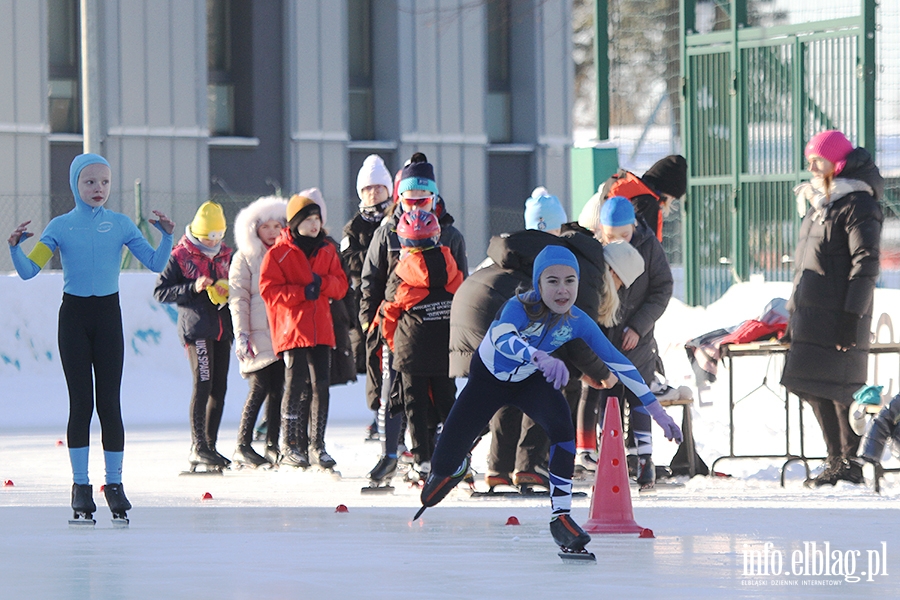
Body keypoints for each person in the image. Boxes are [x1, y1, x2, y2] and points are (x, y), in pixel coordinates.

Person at [416, 246, 682, 553]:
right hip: (488, 381)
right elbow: (503, 338)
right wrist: (538, 355)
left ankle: (561, 517)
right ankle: (458, 464)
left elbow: (618, 362)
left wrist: (656, 410)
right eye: (552, 281)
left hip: (528, 381)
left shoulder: (578, 320)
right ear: (538, 285)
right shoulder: (518, 306)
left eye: (570, 281)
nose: (562, 290)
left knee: (562, 428)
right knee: (441, 466)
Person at [8, 153, 174, 522]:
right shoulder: (61, 226)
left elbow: (155, 263)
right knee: (82, 403)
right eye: (89, 182)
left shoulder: (120, 224)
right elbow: (28, 272)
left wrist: (167, 237)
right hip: (75, 319)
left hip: (108, 318)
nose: (98, 189)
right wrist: (15, 247)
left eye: (104, 182)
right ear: (75, 185)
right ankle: (81, 487)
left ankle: (113, 485)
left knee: (110, 404)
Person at [455, 187, 614, 492]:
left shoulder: (512, 250)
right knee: (553, 383)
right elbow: (573, 331)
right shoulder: (563, 257)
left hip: (478, 318)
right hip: (522, 328)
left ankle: (499, 469)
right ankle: (529, 465)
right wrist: (598, 372)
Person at [780, 130, 883, 487]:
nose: (810, 166)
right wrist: (793, 312)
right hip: (810, 313)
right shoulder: (822, 203)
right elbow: (806, 263)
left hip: (839, 313)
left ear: (837, 163)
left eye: (817, 160)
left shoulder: (858, 203)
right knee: (810, 384)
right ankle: (835, 458)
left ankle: (848, 461)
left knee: (840, 389)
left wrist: (851, 317)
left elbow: (865, 262)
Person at [359, 153, 467, 484]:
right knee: (394, 392)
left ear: (433, 198)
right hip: (396, 328)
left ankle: (438, 454)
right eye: (409, 201)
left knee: (435, 395)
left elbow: (461, 284)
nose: (416, 208)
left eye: (423, 201)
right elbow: (372, 280)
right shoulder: (387, 232)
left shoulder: (449, 234)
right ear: (399, 198)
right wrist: (369, 322)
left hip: (437, 329)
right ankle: (390, 453)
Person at [575, 196, 673, 489]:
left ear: (634, 227)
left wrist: (639, 326)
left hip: (637, 340)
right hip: (604, 335)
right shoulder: (595, 249)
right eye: (611, 236)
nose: (618, 242)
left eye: (625, 236)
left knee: (638, 394)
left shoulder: (649, 246)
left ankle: (644, 460)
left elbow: (662, 288)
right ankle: (609, 456)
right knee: (608, 395)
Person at [259, 191, 348, 469]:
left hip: (321, 328)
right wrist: (300, 293)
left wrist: (321, 284)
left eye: (317, 219)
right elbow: (269, 290)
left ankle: (317, 445)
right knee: (295, 384)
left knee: (321, 385)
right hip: (292, 328)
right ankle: (290, 444)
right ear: (295, 222)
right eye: (308, 219)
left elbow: (341, 285)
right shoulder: (279, 253)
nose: (314, 224)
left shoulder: (328, 249)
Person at [154, 201, 234, 471]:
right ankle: (198, 446)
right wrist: (192, 287)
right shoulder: (181, 255)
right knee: (203, 383)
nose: (213, 242)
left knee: (219, 388)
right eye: (208, 236)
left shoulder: (226, 255)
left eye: (218, 236)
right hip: (196, 329)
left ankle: (210, 447)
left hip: (223, 328)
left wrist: (228, 289)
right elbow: (161, 292)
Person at [228, 196, 288, 468]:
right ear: (254, 229)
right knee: (259, 386)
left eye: (278, 226)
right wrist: (242, 333)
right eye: (267, 227)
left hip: (281, 333)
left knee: (278, 388)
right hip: (256, 333)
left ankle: (273, 444)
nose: (273, 232)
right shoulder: (245, 257)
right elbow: (238, 298)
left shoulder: (286, 254)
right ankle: (243, 444)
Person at [341, 154, 394, 441]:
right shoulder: (354, 228)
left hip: (398, 300)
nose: (373, 193)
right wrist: (378, 257)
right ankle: (379, 414)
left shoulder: (396, 220)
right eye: (367, 189)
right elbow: (350, 261)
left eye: (378, 187)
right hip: (368, 304)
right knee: (374, 360)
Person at [598, 155, 687, 242]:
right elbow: (648, 247)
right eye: (672, 197)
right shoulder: (648, 205)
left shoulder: (621, 189)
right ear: (666, 192)